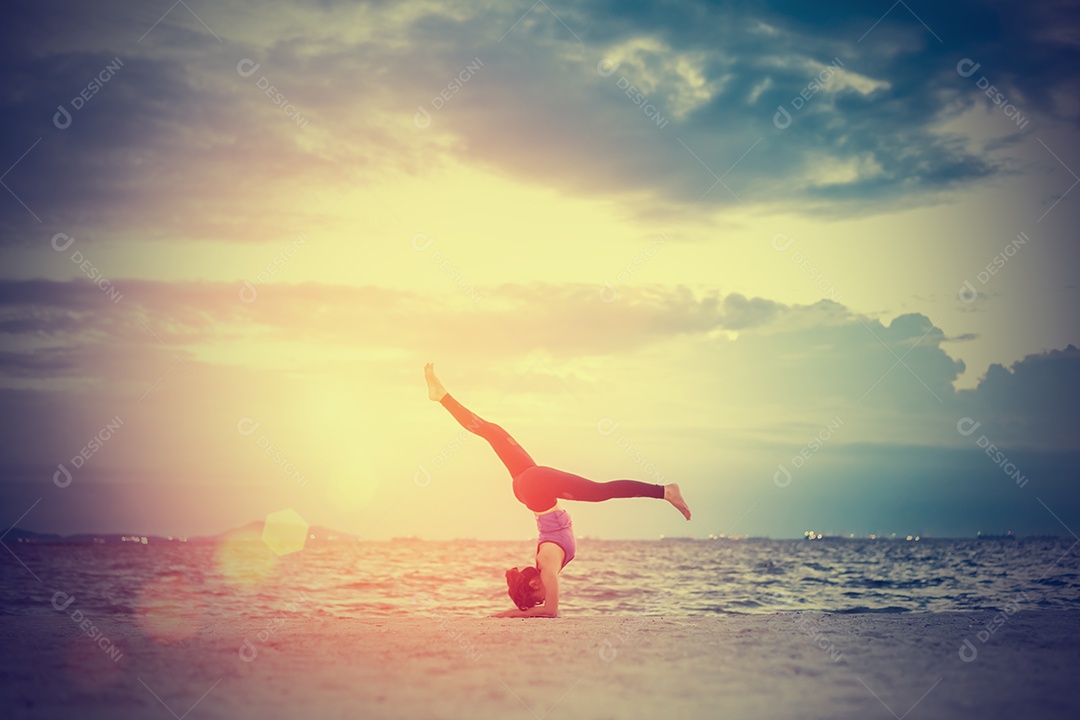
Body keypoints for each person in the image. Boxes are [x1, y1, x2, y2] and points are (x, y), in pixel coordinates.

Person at [424, 363, 691, 618]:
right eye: (538, 602)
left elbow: (551, 612)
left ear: (532, 585)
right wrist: (519, 610)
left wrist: (510, 613)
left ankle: (665, 491)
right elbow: (547, 607)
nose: (545, 597)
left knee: (599, 492)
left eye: (537, 598)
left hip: (535, 488)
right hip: (527, 489)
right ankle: (442, 397)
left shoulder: (548, 565)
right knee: (491, 433)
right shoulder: (544, 563)